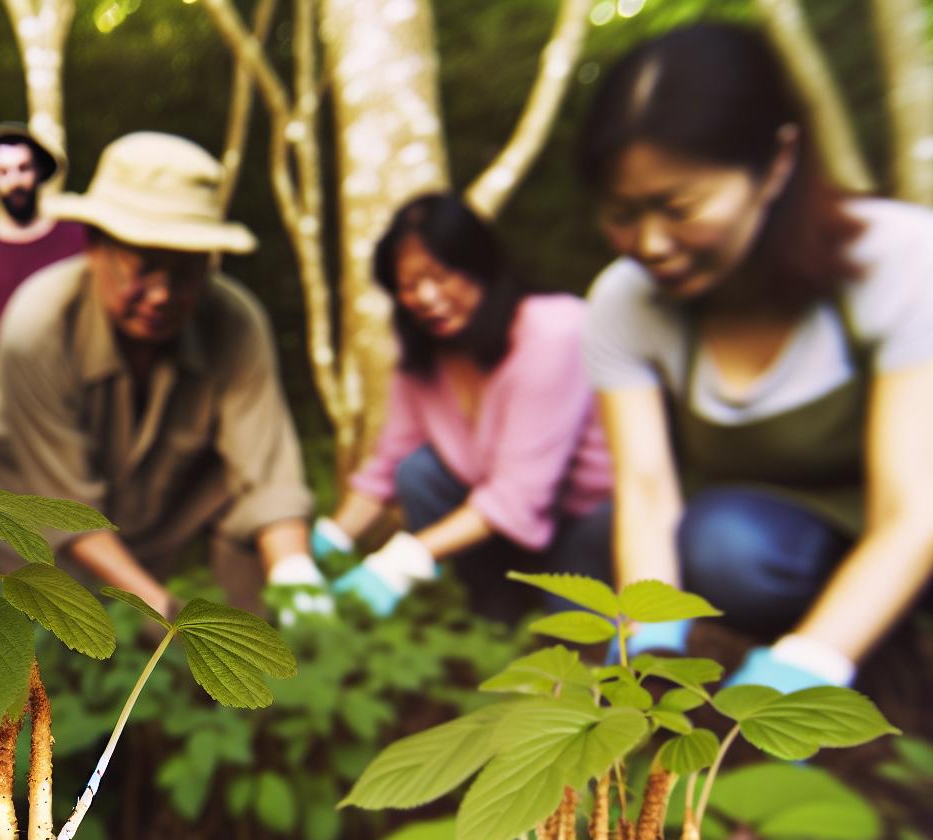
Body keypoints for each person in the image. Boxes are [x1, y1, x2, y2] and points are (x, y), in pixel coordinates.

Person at [579, 23, 933, 691]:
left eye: (678, 207)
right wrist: (647, 653)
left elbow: (913, 513)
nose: (650, 244)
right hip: (760, 548)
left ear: (776, 164)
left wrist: (805, 670)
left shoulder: (904, 262)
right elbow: (647, 492)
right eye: (621, 213)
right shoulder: (622, 305)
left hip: (904, 531)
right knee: (701, 544)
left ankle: (870, 648)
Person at [0, 132, 324, 618]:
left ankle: (271, 662)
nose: (163, 295)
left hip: (148, 499)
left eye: (187, 271)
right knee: (19, 657)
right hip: (17, 496)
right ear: (94, 248)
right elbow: (63, 504)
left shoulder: (235, 321)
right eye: (144, 269)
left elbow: (267, 471)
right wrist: (168, 620)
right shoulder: (37, 325)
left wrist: (297, 578)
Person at [320, 193, 613, 616]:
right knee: (418, 471)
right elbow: (388, 464)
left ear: (481, 267)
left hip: (585, 522)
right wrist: (329, 541)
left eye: (440, 276)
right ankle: (484, 612)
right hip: (496, 526)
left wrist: (399, 561)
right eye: (407, 286)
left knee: (568, 635)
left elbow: (520, 495)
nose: (426, 297)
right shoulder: (425, 353)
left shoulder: (553, 332)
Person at [0, 123, 89, 400]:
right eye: (3, 172)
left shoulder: (78, 241)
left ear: (39, 172)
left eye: (23, 168)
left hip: (75, 393)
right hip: (4, 401)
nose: (15, 181)